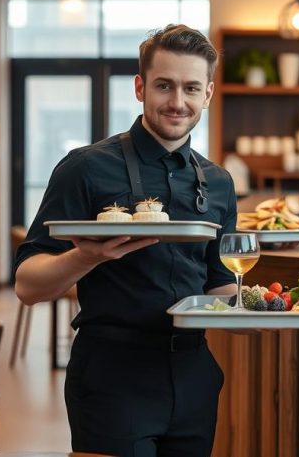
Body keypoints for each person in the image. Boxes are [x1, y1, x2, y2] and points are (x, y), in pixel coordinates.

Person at [15, 24, 237, 457]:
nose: (177, 102)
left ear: (207, 94)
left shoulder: (219, 182)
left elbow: (218, 284)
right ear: (140, 87)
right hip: (113, 374)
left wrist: (260, 311)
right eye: (164, 86)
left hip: (195, 373)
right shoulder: (84, 168)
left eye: (191, 88)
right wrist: (86, 256)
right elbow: (27, 284)